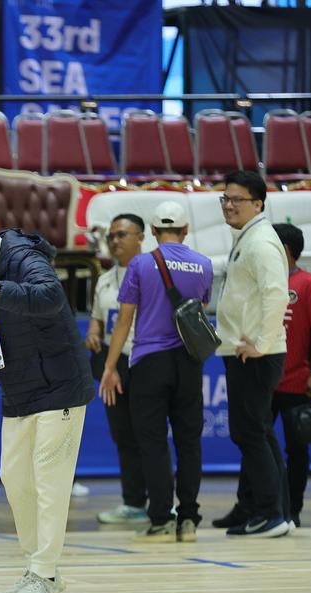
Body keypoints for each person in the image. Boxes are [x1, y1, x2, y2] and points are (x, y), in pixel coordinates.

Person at [0, 193, 94, 593]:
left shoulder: (20, 253)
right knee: (14, 478)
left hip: (59, 384)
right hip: (19, 388)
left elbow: (51, 295)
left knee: (49, 481)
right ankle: (39, 567)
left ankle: (44, 571)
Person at [99, 202, 213, 543]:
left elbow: (124, 320)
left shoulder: (141, 264)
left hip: (149, 361)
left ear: (151, 230)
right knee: (189, 441)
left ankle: (162, 520)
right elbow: (199, 310)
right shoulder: (204, 264)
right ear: (186, 230)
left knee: (152, 442)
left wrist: (109, 366)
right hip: (190, 362)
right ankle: (189, 519)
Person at [211, 170, 292, 538]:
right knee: (257, 431)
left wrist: (260, 343)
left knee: (250, 433)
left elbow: (277, 293)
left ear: (258, 204)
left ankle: (270, 513)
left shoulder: (260, 242)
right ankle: (272, 510)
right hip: (246, 350)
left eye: (236, 200)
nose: (228, 205)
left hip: (255, 354)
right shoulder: (247, 237)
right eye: (225, 199)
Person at [87, 213, 149, 525]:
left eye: (122, 234)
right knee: (123, 433)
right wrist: (94, 331)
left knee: (147, 434)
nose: (114, 241)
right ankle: (133, 502)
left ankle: (162, 503)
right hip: (114, 363)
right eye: (111, 236)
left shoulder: (151, 272)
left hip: (145, 360)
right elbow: (99, 316)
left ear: (141, 237)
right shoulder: (105, 279)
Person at [271, 222, 311, 527]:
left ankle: (292, 509)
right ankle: (253, 506)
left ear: (286, 250)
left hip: (296, 381)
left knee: (296, 449)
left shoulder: (309, 284)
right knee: (255, 444)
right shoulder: (263, 281)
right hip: (263, 380)